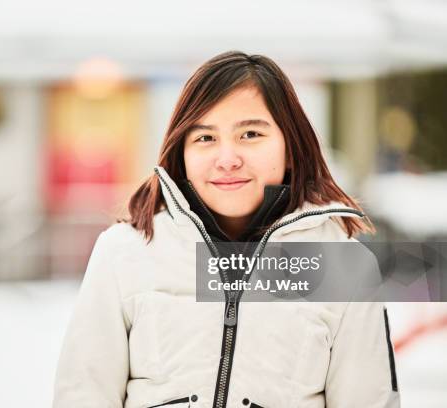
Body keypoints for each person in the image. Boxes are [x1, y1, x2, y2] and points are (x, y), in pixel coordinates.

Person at [52, 51, 401, 408]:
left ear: (291, 149)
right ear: (182, 153)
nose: (227, 158)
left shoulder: (344, 267)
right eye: (205, 138)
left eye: (250, 134)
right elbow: (83, 394)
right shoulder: (123, 253)